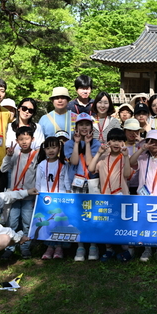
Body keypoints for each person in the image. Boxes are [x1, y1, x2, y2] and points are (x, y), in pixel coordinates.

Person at [89, 128, 133, 262]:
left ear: (123, 143)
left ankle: (127, 249)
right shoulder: (103, 157)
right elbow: (91, 169)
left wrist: (126, 156)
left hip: (122, 196)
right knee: (107, 222)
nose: (116, 143)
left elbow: (127, 175)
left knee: (123, 222)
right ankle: (109, 249)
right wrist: (98, 153)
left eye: (120, 140)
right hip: (106, 195)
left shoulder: (125, 157)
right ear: (108, 142)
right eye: (113, 140)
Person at [64, 112, 100, 261]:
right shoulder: (69, 143)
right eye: (81, 125)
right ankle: (80, 245)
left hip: (92, 181)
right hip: (76, 182)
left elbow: (90, 164)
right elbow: (73, 162)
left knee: (93, 213)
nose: (84, 127)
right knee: (78, 213)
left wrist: (88, 142)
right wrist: (78, 143)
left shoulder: (96, 143)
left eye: (87, 124)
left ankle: (93, 245)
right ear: (76, 127)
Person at [130, 130, 157, 263]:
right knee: (145, 223)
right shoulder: (142, 158)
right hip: (144, 197)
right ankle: (147, 248)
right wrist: (142, 149)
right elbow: (131, 162)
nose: (154, 144)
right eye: (150, 141)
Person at [0, 126, 39, 259]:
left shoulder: (36, 154)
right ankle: (10, 246)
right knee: (12, 222)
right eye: (21, 139)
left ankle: (25, 247)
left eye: (27, 138)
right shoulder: (15, 153)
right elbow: (3, 169)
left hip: (29, 195)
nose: (24, 142)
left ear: (32, 139)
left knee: (27, 221)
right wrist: (8, 156)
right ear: (16, 140)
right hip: (14, 196)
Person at [36, 136, 68, 260]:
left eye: (54, 147)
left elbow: (66, 181)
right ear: (44, 150)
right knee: (47, 222)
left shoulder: (63, 164)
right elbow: (38, 183)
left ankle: (59, 246)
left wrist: (68, 197)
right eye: (48, 148)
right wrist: (37, 199)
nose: (51, 150)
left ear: (59, 148)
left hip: (60, 198)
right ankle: (49, 246)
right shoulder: (41, 165)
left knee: (58, 222)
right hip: (45, 200)